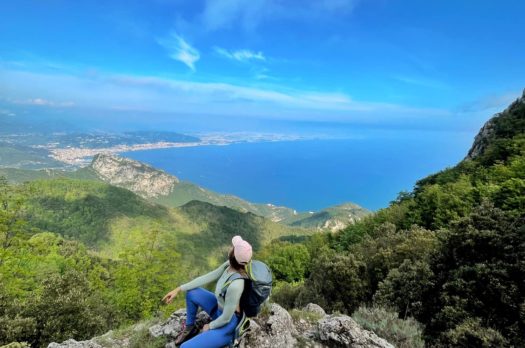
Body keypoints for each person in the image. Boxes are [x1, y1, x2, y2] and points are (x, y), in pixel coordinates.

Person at [163, 235, 253, 348]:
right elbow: (209, 276)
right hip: (219, 309)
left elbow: (226, 318)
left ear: (233, 255)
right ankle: (190, 328)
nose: (230, 247)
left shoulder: (236, 285)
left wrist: (210, 326)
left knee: (185, 347)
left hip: (227, 325)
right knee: (191, 292)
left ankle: (225, 338)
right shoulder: (229, 265)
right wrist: (178, 289)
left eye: (233, 247)